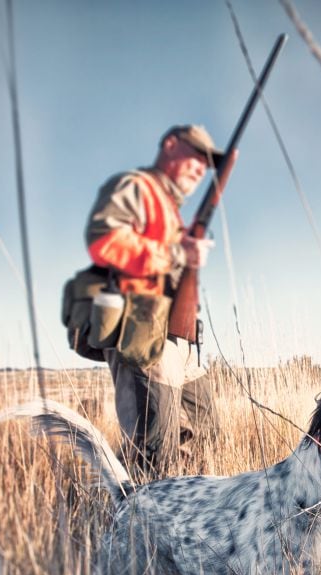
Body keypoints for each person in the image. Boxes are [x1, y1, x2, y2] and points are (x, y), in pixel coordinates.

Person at [84, 125, 221, 478]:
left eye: (207, 164)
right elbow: (105, 241)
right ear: (170, 145)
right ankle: (138, 529)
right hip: (145, 334)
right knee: (154, 454)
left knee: (206, 437)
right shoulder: (137, 188)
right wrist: (176, 253)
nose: (201, 167)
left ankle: (189, 524)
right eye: (195, 155)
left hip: (182, 341)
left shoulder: (169, 209)